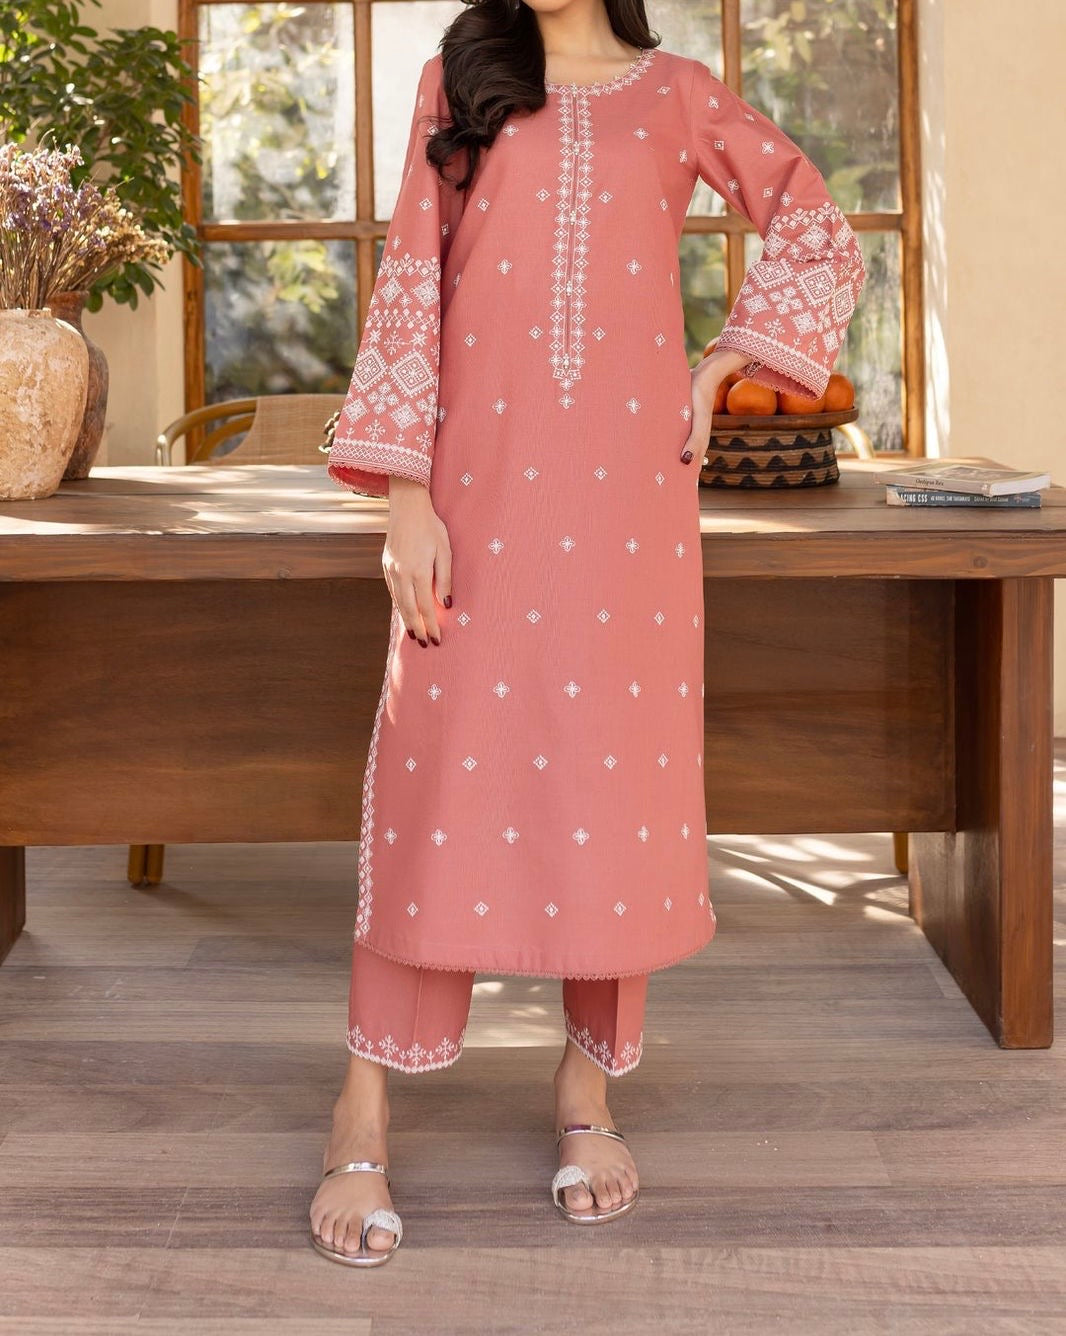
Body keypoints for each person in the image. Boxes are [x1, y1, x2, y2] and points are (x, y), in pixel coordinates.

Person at [311, 0, 866, 1266]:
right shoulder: (462, 76)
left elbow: (812, 221)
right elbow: (411, 276)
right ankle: (362, 1105)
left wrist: (727, 361)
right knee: (433, 777)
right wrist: (404, 497)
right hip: (472, 490)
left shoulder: (677, 94)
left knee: (615, 779)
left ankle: (585, 1088)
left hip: (627, 506)